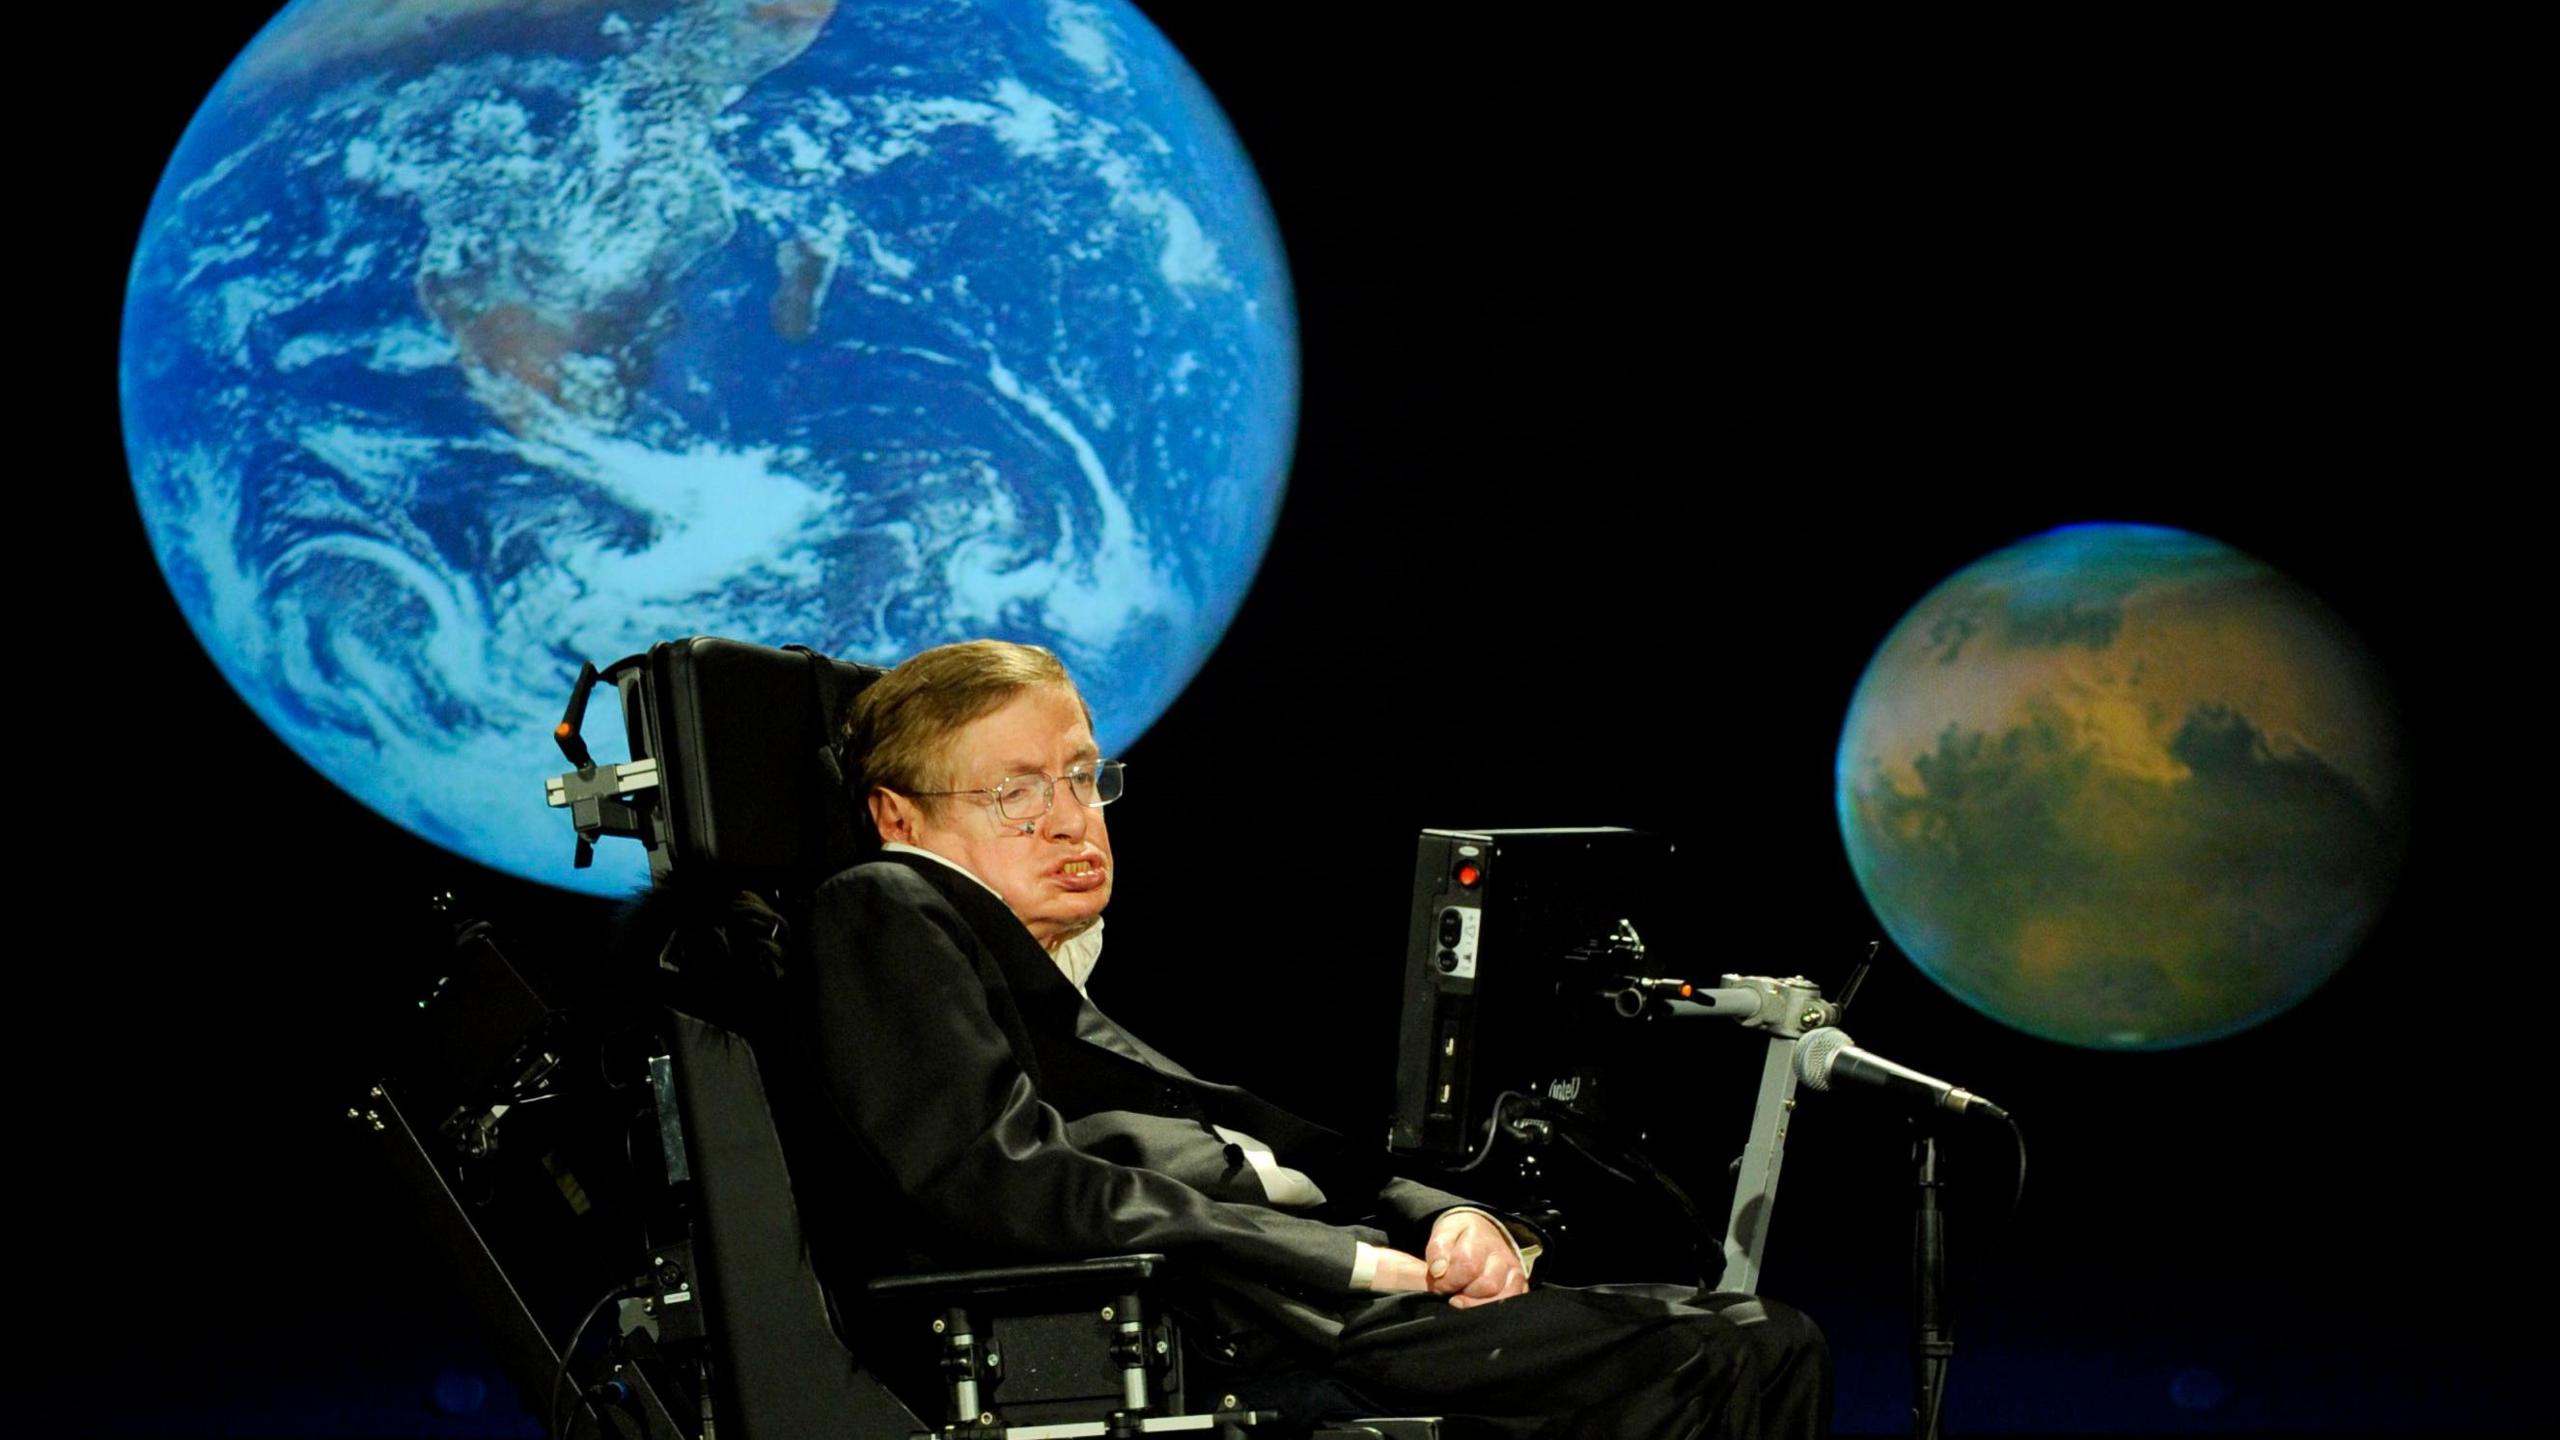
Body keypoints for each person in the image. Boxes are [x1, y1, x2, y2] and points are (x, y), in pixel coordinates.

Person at [785, 640, 1830, 1438]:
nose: (1070, 820)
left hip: (1298, 1306)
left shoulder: (1041, 984)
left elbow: (1299, 1153)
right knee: (1745, 1351)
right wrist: (1354, 1264)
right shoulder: (884, 906)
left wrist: (1451, 1215)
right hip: (1239, 1330)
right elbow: (997, 1184)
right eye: (1017, 793)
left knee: (1729, 1325)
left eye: (1082, 775)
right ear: (898, 818)